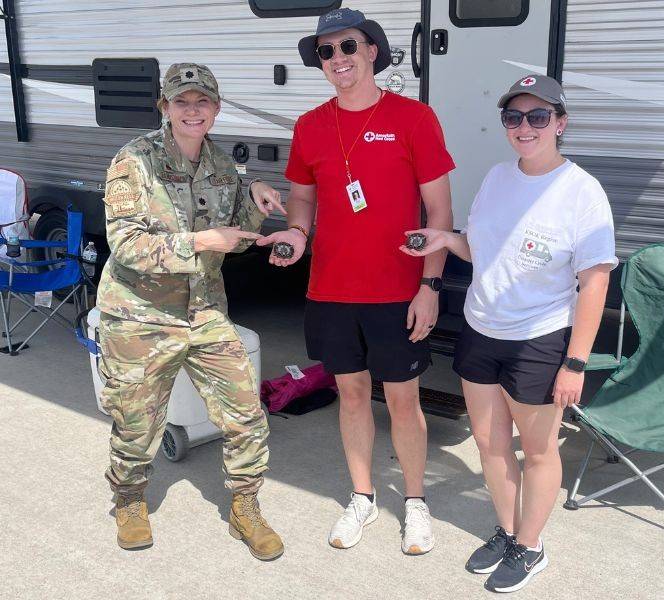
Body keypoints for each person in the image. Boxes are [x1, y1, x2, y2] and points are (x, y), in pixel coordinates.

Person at [401, 74, 617, 592]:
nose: (525, 127)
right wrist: (444, 239)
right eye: (514, 118)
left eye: (538, 117)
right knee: (488, 442)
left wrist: (576, 363)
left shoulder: (582, 193)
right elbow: (480, 248)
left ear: (559, 124)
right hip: (481, 328)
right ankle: (506, 530)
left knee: (539, 452)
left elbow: (595, 283)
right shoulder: (498, 177)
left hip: (539, 340)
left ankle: (531, 545)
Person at [251, 8, 454, 554]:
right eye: (326, 51)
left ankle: (415, 504)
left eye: (347, 47)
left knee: (405, 402)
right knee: (352, 394)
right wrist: (295, 233)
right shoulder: (311, 124)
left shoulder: (414, 118)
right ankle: (362, 496)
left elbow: (439, 211)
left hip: (398, 292)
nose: (337, 58)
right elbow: (301, 195)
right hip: (331, 291)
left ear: (372, 52)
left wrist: (429, 287)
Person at [96, 63, 286, 560]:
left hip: (203, 310)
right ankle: (130, 500)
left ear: (216, 109)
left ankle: (245, 506)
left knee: (246, 413)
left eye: (203, 101)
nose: (193, 110)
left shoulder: (223, 167)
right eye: (182, 101)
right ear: (165, 108)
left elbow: (236, 234)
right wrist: (200, 240)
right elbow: (126, 244)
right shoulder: (134, 162)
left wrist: (257, 201)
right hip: (139, 312)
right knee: (136, 424)